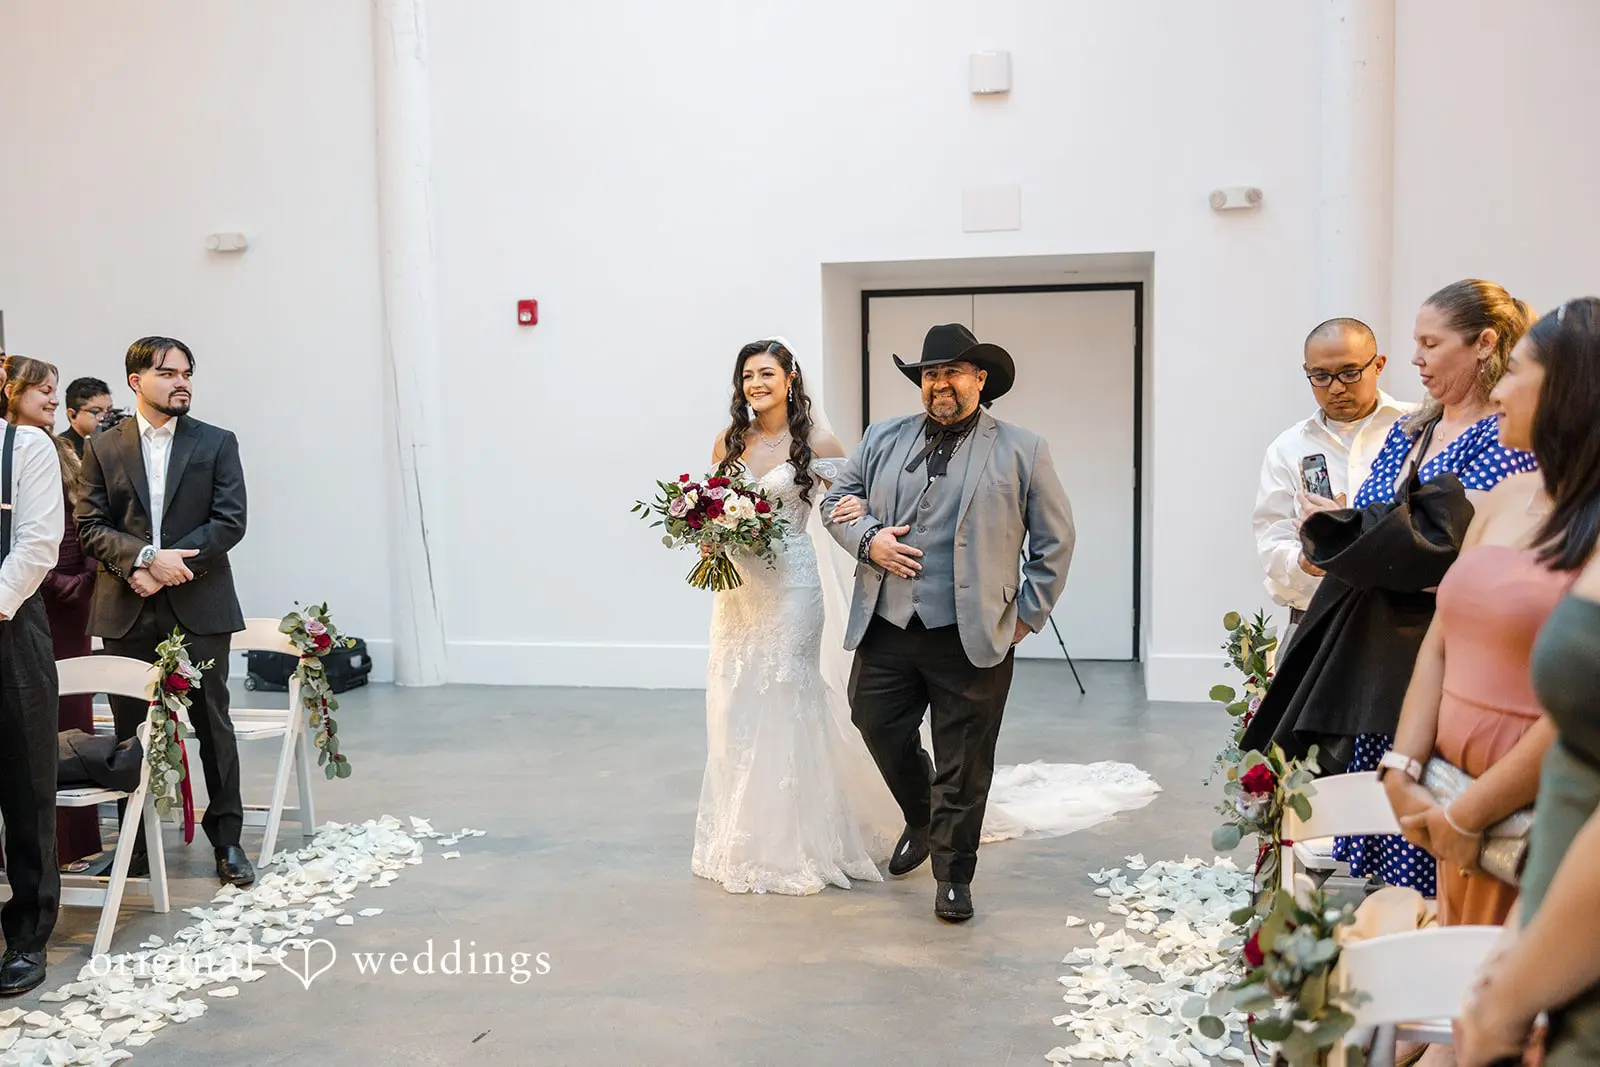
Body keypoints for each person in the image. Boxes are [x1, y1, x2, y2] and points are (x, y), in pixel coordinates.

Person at [821, 323, 1076, 922]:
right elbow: (837, 502)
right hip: (888, 623)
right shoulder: (882, 437)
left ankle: (954, 876)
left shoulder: (1023, 448)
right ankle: (920, 814)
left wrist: (1027, 617)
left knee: (964, 759)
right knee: (875, 720)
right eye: (930, 374)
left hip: (974, 630)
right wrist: (867, 540)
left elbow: (1055, 540)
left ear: (979, 380)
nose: (941, 384)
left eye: (953, 372)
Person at [1322, 279, 1538, 898]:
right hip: (1381, 654)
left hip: (1440, 653)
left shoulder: (1506, 442)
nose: (1414, 357)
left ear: (1482, 345)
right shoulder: (1413, 429)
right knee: (1383, 846)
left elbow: (1460, 549)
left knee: (1435, 856)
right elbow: (1381, 523)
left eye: (1429, 343)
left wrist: (1361, 540)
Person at [692, 338, 902, 896]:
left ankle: (796, 842)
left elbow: (850, 500)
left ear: (790, 379)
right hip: (738, 591)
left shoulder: (818, 442)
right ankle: (743, 833)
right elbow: (714, 503)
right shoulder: (728, 441)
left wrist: (871, 523)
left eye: (766, 374)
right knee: (735, 700)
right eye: (746, 376)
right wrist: (708, 535)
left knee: (785, 697)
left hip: (792, 586)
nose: (755, 384)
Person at [1451, 299, 1600, 1067]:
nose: (1498, 391)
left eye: (1514, 372)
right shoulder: (1530, 497)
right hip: (1550, 908)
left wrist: (1509, 1000)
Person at [76, 336, 252, 887]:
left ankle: (227, 841)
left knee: (212, 726)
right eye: (168, 373)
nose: (182, 382)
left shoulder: (217, 442)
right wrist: (144, 560)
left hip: (199, 605)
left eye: (187, 373)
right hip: (128, 606)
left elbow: (230, 521)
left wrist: (175, 565)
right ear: (136, 382)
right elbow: (90, 525)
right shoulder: (103, 447)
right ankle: (136, 847)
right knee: (131, 735)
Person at [0, 357, 103, 868]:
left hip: (51, 597)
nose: (49, 399)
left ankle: (71, 846)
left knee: (61, 722)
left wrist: (78, 578)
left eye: (54, 391)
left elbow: (77, 520)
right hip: (33, 586)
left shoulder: (44, 449)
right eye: (40, 389)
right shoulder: (41, 444)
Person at [1253, 318, 1410, 639]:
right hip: (1315, 619)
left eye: (1350, 373)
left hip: (1403, 620)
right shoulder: (1288, 448)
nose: (1336, 387)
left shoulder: (1417, 427)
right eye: (1320, 377)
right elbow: (1271, 539)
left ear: (1378, 365)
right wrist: (1307, 561)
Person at [0, 358, 65, 996]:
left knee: (25, 787)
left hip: (11, 627)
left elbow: (39, 544)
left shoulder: (27, 446)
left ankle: (27, 934)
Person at [60, 377, 113, 459]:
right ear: (72, 415)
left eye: (110, 410)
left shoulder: (109, 442)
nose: (105, 417)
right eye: (96, 411)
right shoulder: (62, 449)